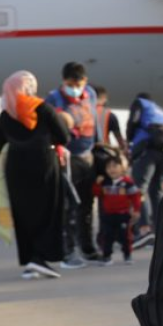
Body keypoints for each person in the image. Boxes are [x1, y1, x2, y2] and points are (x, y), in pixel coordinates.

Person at [0, 71, 70, 279]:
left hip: (15, 168)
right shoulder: (44, 108)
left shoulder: (5, 114)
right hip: (44, 163)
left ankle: (31, 260)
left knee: (23, 214)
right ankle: (41, 258)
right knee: (48, 211)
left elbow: (2, 143)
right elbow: (64, 136)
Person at [46, 61, 101, 268]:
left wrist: (99, 147)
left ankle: (87, 247)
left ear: (85, 81)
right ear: (64, 81)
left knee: (87, 204)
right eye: (71, 83)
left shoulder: (91, 94)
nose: (76, 88)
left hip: (87, 156)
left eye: (79, 83)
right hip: (66, 157)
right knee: (68, 206)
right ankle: (68, 250)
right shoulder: (54, 98)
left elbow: (95, 121)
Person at [127, 92, 163, 248]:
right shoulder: (160, 110)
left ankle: (144, 230)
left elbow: (133, 123)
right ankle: (162, 231)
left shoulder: (139, 103)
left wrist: (129, 141)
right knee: (158, 192)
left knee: (140, 189)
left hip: (146, 150)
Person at [92, 156, 141, 266]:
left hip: (123, 214)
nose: (111, 169)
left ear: (122, 167)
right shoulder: (105, 182)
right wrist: (97, 184)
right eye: (108, 167)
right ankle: (107, 256)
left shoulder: (128, 182)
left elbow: (135, 197)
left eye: (114, 166)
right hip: (108, 215)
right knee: (107, 236)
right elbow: (96, 193)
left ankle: (127, 255)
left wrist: (137, 210)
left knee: (125, 236)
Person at [93, 85, 127, 154]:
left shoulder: (81, 112)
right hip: (103, 152)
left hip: (83, 152)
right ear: (104, 99)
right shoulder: (110, 115)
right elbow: (119, 139)